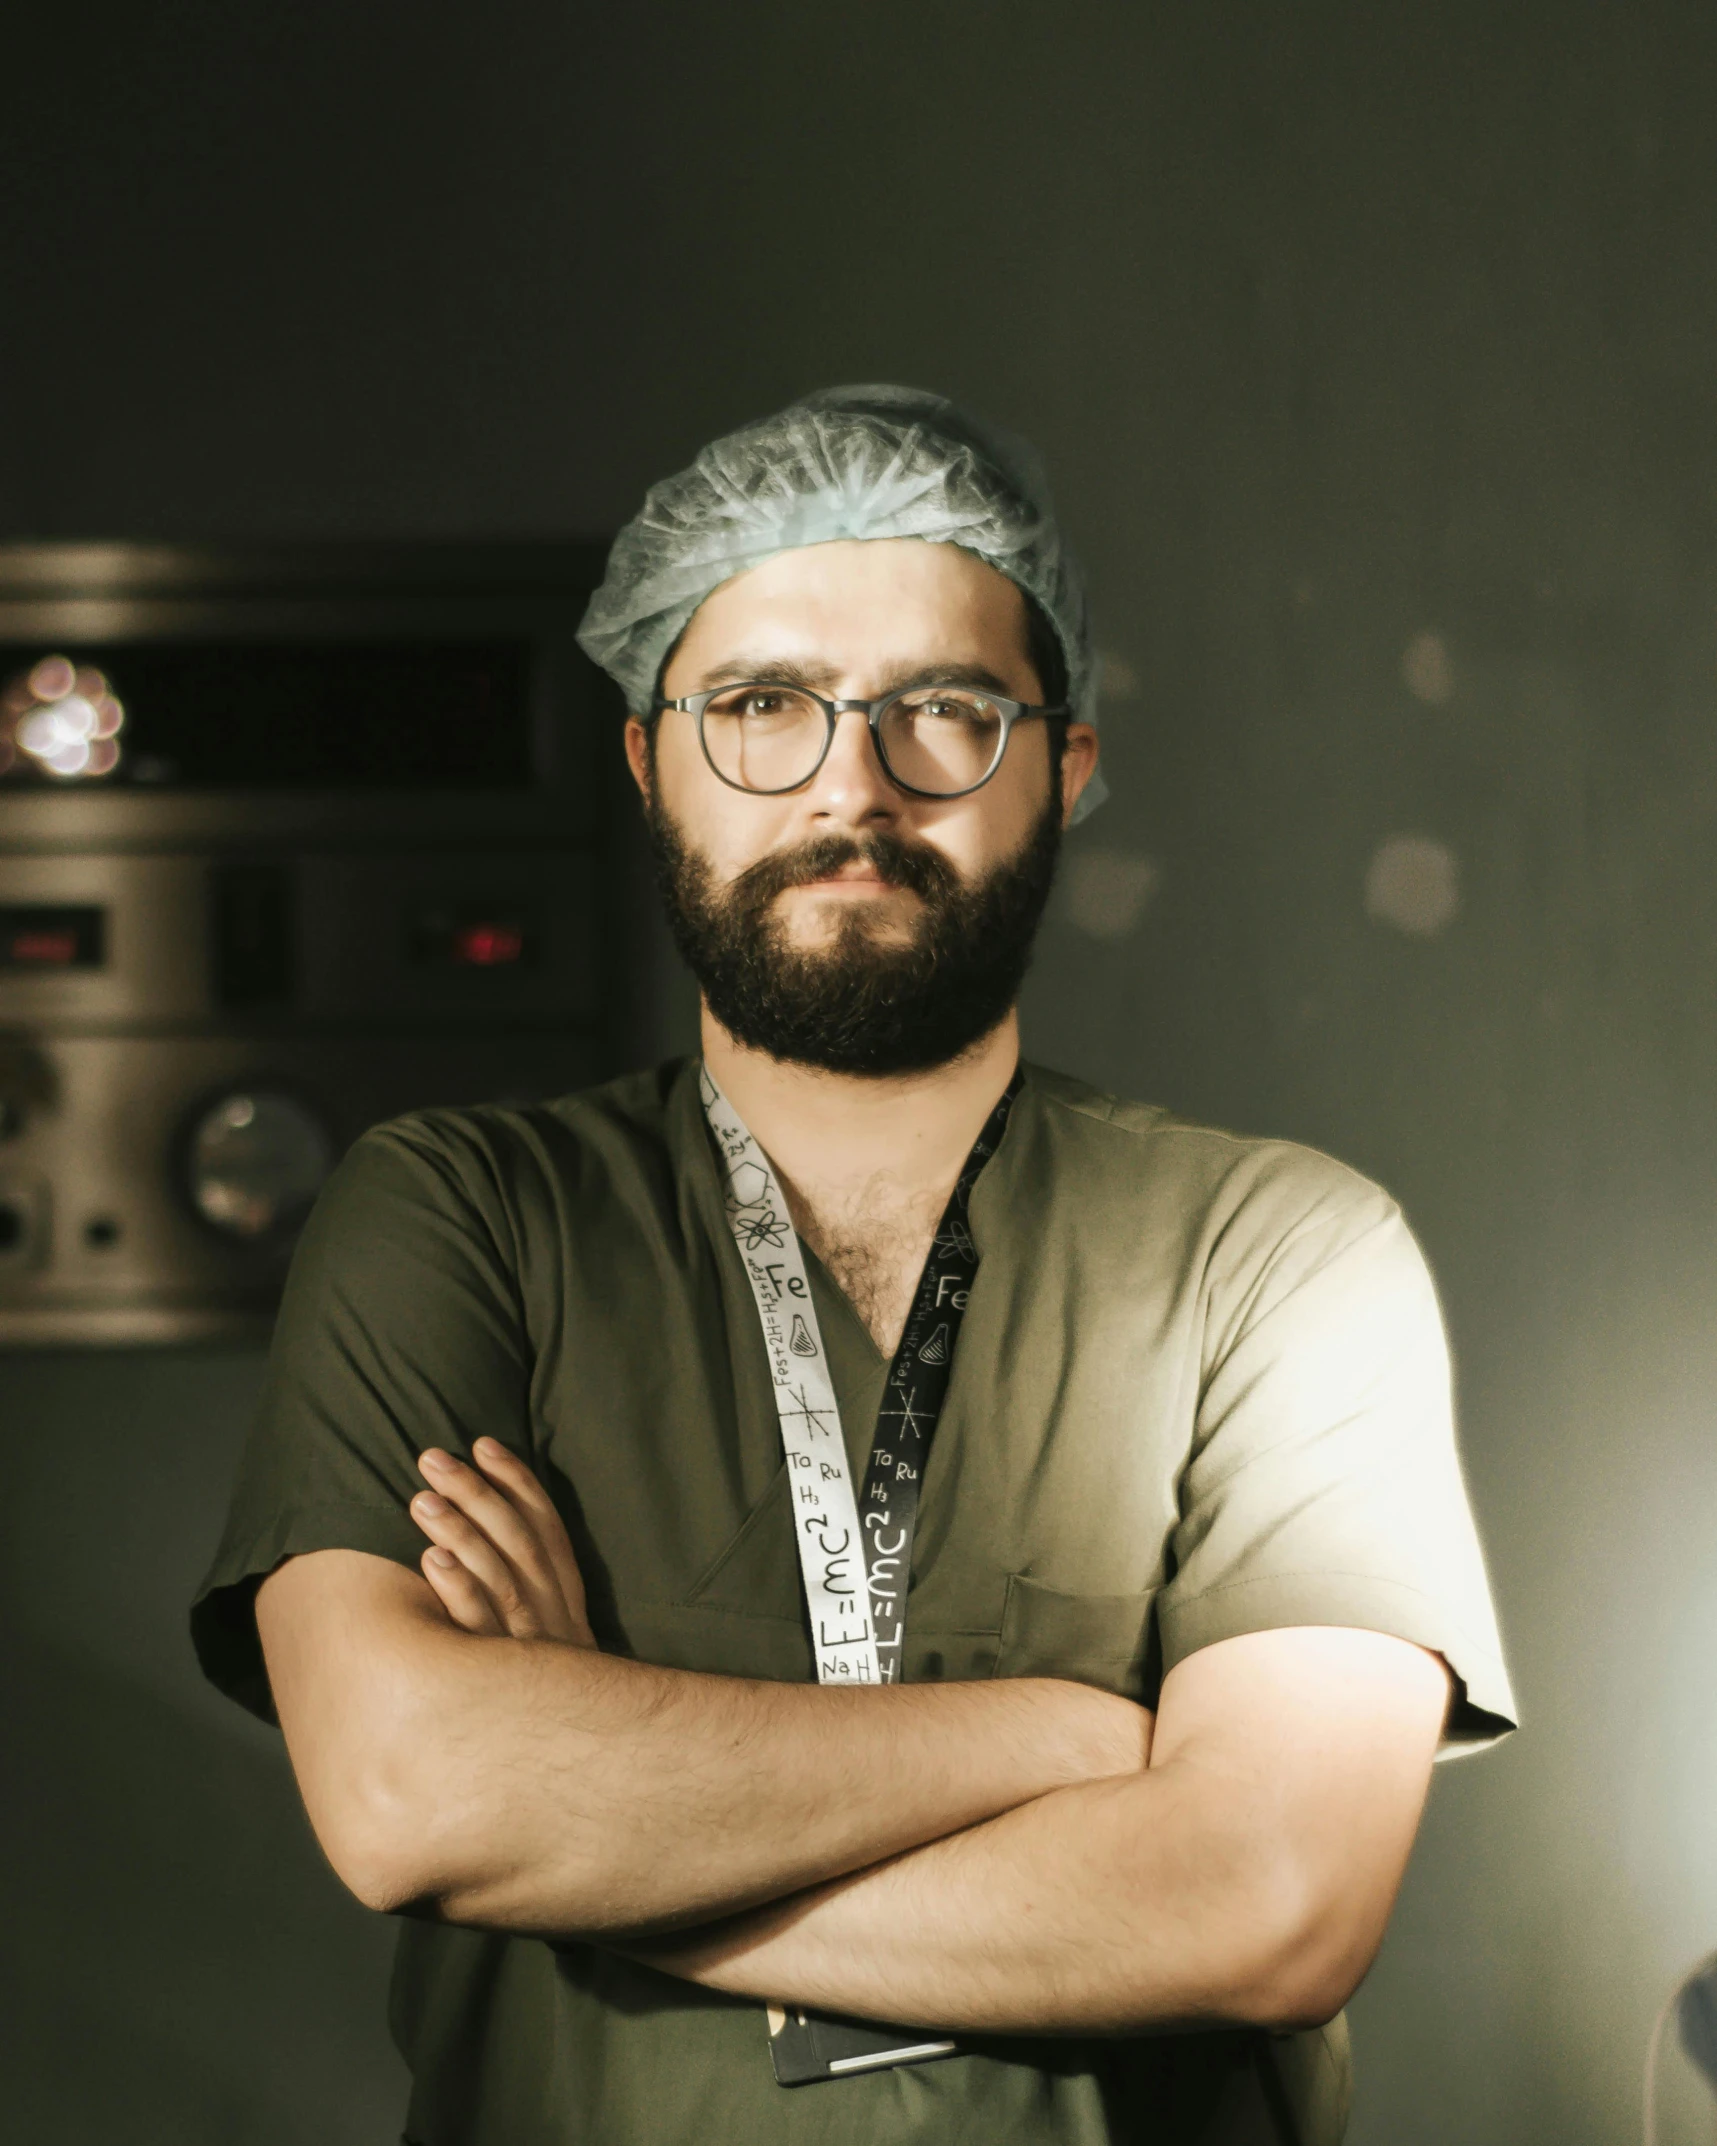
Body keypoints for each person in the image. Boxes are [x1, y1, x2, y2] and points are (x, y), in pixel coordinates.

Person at [192, 385, 1516, 2146]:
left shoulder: (1276, 1257)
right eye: (760, 705)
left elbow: (1270, 1898)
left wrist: (597, 1799)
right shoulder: (461, 1217)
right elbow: (408, 1785)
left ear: (1069, 763)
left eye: (946, 712)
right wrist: (1064, 1738)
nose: (851, 784)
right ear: (651, 757)